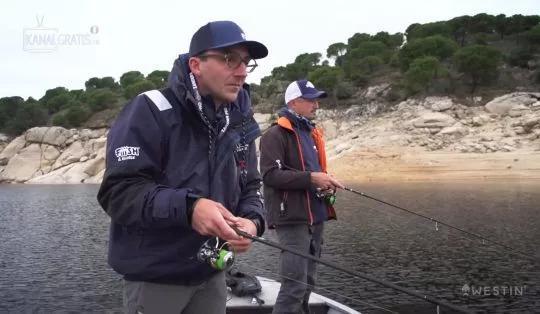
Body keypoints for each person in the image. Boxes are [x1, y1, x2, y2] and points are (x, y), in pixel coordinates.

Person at [97, 20, 267, 314]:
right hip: (155, 279)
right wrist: (190, 208)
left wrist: (252, 222)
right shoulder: (150, 109)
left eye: (245, 62)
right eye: (229, 59)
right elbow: (119, 192)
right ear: (196, 65)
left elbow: (251, 185)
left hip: (212, 275)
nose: (240, 72)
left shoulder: (239, 122)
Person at [259, 79, 343, 314]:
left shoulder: (310, 133)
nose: (316, 104)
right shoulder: (275, 135)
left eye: (316, 99)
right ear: (294, 102)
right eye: (310, 100)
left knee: (308, 284)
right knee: (294, 286)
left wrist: (324, 184)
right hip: (292, 219)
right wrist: (312, 179)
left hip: (315, 216)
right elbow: (270, 175)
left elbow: (313, 174)